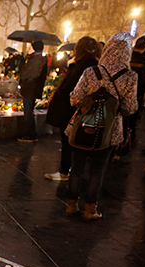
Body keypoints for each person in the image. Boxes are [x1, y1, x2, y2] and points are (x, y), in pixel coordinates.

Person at [65, 32, 138, 220]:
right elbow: (130, 108)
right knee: (97, 170)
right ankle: (90, 209)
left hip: (83, 126)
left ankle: (71, 205)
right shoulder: (130, 76)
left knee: (77, 167)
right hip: (109, 131)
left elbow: (75, 98)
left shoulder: (92, 71)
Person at [44, 37, 100, 181]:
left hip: (71, 110)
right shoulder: (96, 65)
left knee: (68, 141)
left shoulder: (82, 67)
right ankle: (73, 171)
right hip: (84, 111)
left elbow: (70, 89)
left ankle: (65, 171)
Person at [18, 40, 48, 142]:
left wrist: (23, 73)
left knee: (28, 112)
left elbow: (27, 74)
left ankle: (30, 134)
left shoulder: (36, 59)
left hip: (30, 88)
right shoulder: (38, 58)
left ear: (34, 48)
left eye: (30, 48)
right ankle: (30, 132)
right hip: (32, 88)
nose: (29, 49)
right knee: (29, 111)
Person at [129, 36, 145, 144]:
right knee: (132, 117)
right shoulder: (144, 61)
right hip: (136, 92)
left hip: (123, 90)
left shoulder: (128, 58)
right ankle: (130, 138)